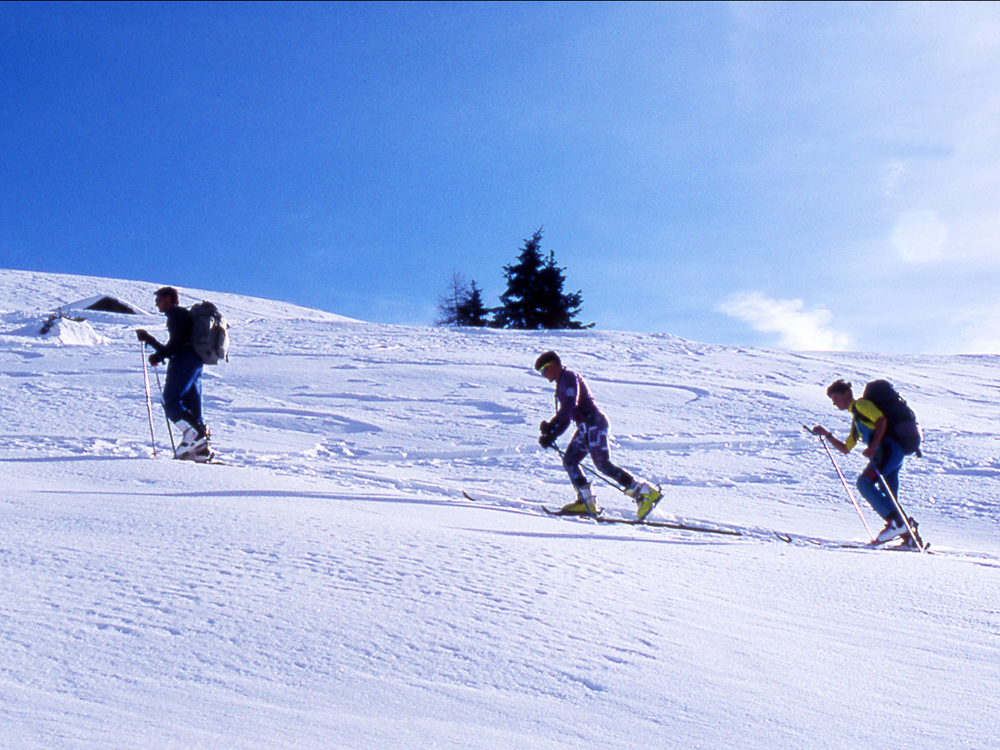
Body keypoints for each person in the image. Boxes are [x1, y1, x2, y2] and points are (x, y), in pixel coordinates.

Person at [534, 350, 661, 518]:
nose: (543, 375)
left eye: (544, 370)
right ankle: (585, 502)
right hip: (585, 427)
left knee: (602, 464)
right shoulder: (559, 388)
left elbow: (571, 404)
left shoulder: (569, 377)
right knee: (570, 460)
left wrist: (552, 424)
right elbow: (566, 419)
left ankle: (644, 492)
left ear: (553, 364)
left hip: (594, 422)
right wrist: (552, 435)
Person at [811, 379, 919, 544]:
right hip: (893, 453)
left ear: (847, 393)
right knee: (889, 496)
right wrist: (827, 435)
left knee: (864, 483)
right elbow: (846, 448)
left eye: (836, 398)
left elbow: (881, 420)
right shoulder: (856, 419)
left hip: (887, 452)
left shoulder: (861, 405)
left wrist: (873, 446)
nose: (834, 403)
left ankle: (897, 523)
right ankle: (911, 540)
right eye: (832, 400)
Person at [136, 287, 211, 461]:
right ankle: (200, 450)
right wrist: (152, 344)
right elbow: (176, 344)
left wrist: (154, 348)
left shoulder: (175, 314)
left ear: (168, 298)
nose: (156, 304)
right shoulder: (183, 315)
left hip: (184, 359)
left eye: (159, 299)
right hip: (195, 361)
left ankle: (194, 436)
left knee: (171, 400)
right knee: (193, 405)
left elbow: (176, 344)